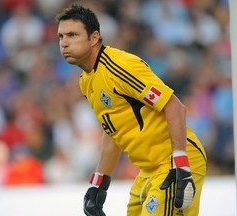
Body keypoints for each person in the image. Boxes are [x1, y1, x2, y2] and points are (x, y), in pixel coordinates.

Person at [56, 3, 207, 216]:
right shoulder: (86, 81)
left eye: (72, 35)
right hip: (147, 171)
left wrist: (181, 165)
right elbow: (112, 133)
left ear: (93, 38)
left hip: (172, 162)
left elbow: (175, 107)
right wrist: (98, 184)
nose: (64, 43)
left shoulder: (120, 67)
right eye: (61, 37)